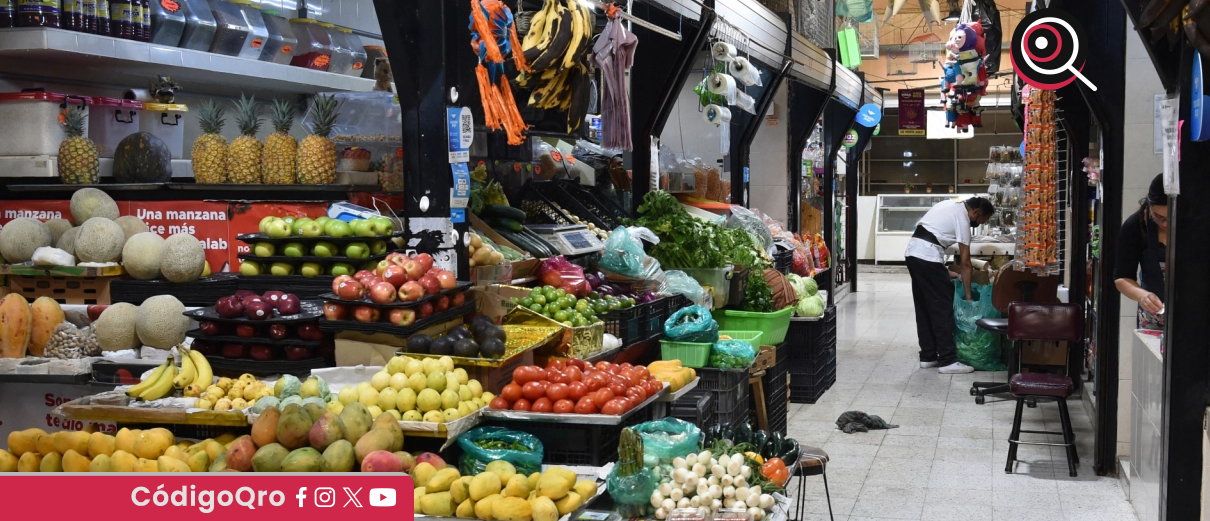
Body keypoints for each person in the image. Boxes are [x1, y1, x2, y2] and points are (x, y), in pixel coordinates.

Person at [905, 196, 994, 374]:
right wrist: (968, 296)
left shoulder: (947, 205)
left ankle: (928, 356)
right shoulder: (962, 219)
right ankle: (947, 360)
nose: (979, 223)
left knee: (924, 307)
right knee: (942, 308)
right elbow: (966, 263)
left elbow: (930, 236)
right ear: (976, 212)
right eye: (982, 220)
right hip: (927, 257)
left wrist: (944, 272)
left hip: (914, 254)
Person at [1114, 174, 1167, 330]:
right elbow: (1122, 278)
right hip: (1154, 316)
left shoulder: (1197, 225)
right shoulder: (1135, 227)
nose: (1164, 224)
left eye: (1171, 218)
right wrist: (1142, 295)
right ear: (1149, 205)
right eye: (1158, 217)